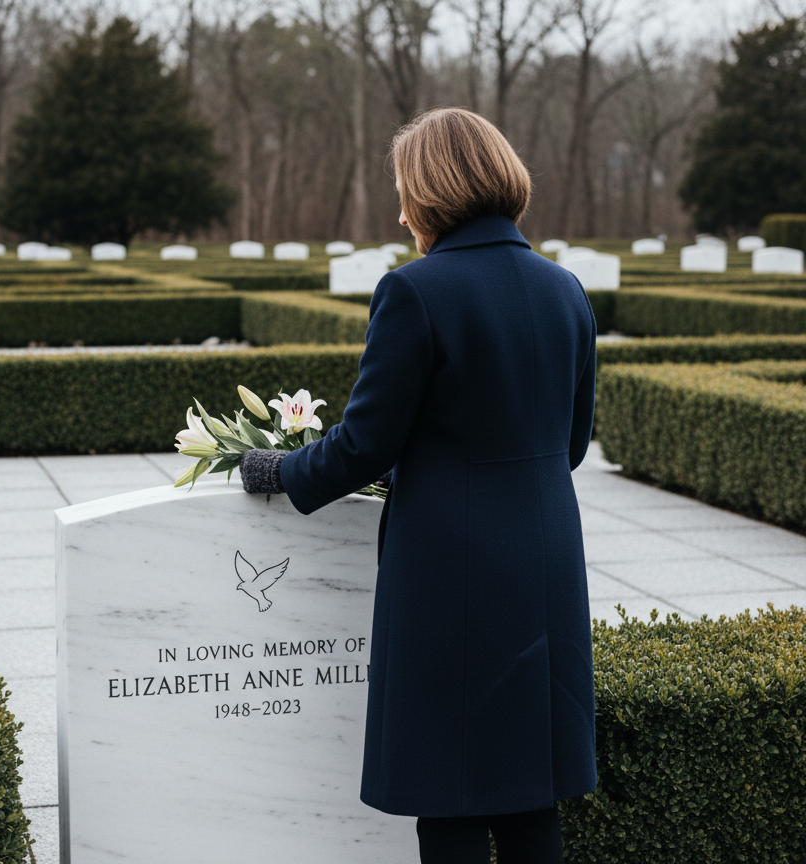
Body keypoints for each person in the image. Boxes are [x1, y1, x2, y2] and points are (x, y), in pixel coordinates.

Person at [239, 107, 597, 864]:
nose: (400, 212)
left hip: (451, 572)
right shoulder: (567, 289)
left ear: (434, 191)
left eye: (405, 191)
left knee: (453, 798)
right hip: (546, 561)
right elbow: (568, 446)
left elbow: (363, 446)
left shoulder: (416, 292)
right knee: (530, 795)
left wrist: (278, 470)